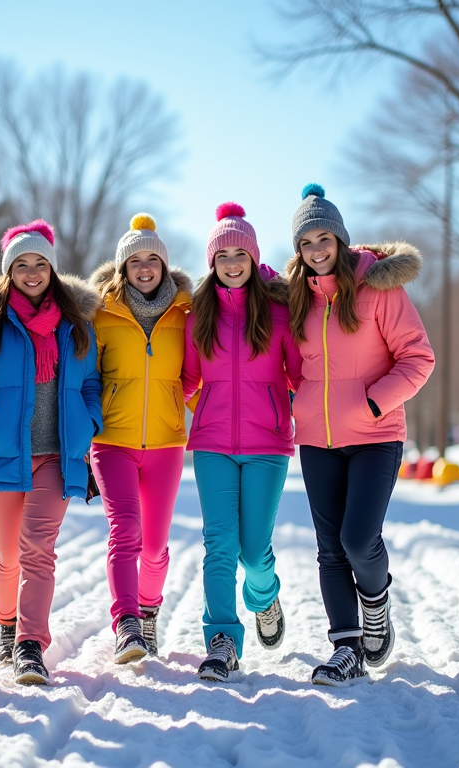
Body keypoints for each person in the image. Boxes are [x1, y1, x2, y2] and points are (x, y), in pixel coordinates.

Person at [0, 220, 102, 686]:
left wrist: (89, 421)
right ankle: (6, 624)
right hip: (3, 453)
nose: (32, 272)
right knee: (8, 551)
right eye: (22, 264)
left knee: (38, 549)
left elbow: (92, 383)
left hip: (56, 454)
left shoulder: (75, 327)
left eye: (41, 263)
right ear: (10, 271)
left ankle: (31, 645)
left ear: (52, 268)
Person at [286, 183, 434, 685]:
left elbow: (418, 357)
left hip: (375, 436)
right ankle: (345, 648)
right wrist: (296, 401)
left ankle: (376, 600)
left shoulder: (379, 287)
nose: (316, 250)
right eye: (305, 243)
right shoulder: (297, 299)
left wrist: (373, 401)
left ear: (340, 238)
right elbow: (289, 366)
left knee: (358, 539)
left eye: (323, 238)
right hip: (317, 441)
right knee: (329, 548)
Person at [182, 202, 303, 682]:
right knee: (219, 545)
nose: (231, 263)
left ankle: (265, 597)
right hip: (212, 445)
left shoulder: (277, 313)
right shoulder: (198, 316)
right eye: (222, 254)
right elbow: (186, 380)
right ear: (211, 262)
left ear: (253, 258)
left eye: (240, 253)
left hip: (267, 446)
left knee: (254, 550)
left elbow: (301, 375)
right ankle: (223, 639)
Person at [89, 214, 193, 664]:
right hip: (112, 440)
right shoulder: (101, 313)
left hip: (167, 443)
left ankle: (148, 611)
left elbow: (194, 376)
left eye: (154, 259)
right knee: (124, 530)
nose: (145, 267)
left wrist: (174, 398)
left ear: (165, 266)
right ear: (122, 268)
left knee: (154, 545)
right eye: (136, 260)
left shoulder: (184, 313)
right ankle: (126, 622)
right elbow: (86, 377)